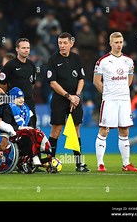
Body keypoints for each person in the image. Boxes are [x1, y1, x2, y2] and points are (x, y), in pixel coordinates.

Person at [93, 31, 137, 172]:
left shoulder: (128, 61)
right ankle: (100, 164)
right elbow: (96, 81)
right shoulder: (102, 61)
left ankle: (126, 164)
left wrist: (122, 90)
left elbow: (130, 79)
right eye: (116, 42)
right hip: (109, 100)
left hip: (124, 100)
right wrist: (107, 93)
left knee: (124, 130)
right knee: (104, 130)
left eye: (121, 42)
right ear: (110, 44)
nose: (119, 45)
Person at [46, 32, 90, 172]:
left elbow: (81, 79)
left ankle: (79, 164)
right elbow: (52, 83)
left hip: (75, 99)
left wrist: (76, 96)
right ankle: (50, 163)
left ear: (71, 43)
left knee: (76, 129)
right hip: (60, 99)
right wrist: (68, 96)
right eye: (60, 43)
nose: (62, 46)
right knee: (56, 130)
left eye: (65, 43)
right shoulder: (52, 59)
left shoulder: (76, 58)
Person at [1, 87, 53, 173]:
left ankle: (48, 153)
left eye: (22, 98)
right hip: (12, 134)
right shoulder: (8, 109)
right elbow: (6, 126)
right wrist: (21, 128)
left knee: (37, 133)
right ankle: (34, 157)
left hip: (25, 133)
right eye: (18, 98)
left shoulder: (26, 110)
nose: (21, 100)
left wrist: (29, 128)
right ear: (13, 98)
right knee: (27, 136)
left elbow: (31, 124)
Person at [0, 38, 37, 128]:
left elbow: (32, 84)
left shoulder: (31, 65)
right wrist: (11, 98)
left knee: (31, 130)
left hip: (29, 102)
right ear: (17, 49)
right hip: (14, 104)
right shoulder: (10, 65)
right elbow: (1, 84)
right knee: (14, 131)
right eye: (23, 48)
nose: (26, 50)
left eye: (28, 48)